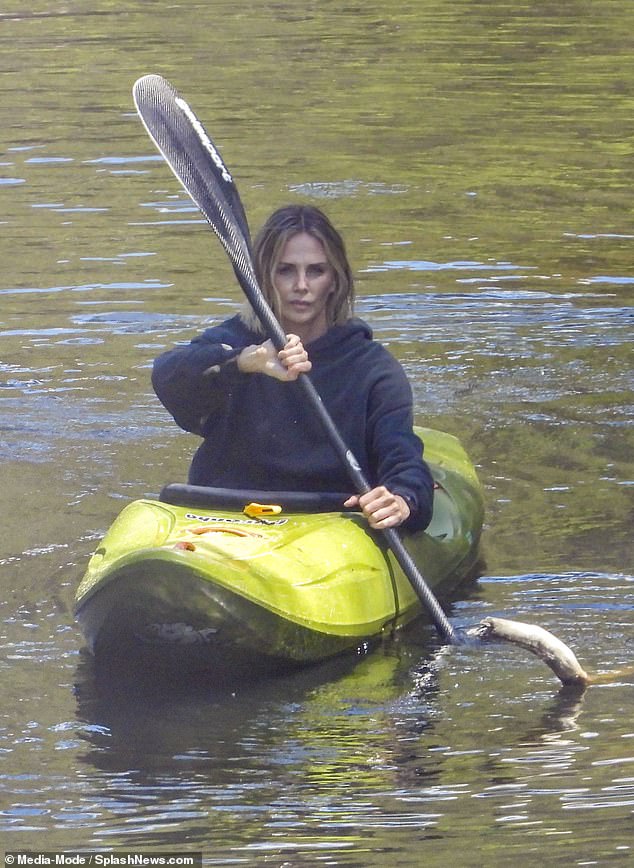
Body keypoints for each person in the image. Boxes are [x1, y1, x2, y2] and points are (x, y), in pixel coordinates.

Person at [152, 205, 434, 531]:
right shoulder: (234, 344)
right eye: (286, 270)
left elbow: (404, 463)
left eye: (316, 271)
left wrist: (401, 500)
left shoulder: (372, 369)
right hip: (224, 516)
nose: (301, 285)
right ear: (263, 277)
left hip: (326, 521)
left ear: (334, 280)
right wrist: (243, 363)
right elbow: (167, 376)